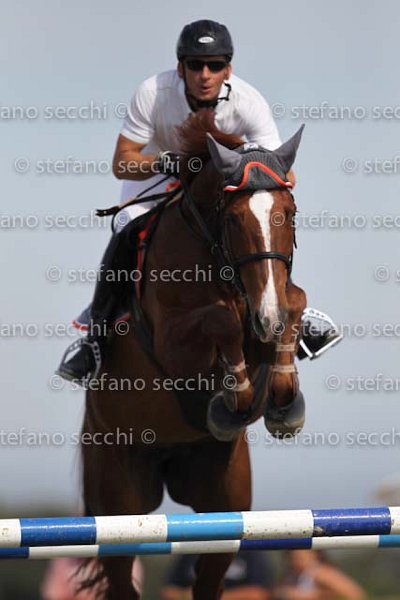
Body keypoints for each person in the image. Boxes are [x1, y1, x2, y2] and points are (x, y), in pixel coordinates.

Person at [56, 19, 342, 387]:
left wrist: (248, 169)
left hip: (220, 183)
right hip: (159, 175)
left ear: (228, 69)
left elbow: (285, 174)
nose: (205, 75)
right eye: (195, 65)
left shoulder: (249, 102)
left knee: (262, 218)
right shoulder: (153, 93)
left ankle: (290, 306)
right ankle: (96, 335)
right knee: (125, 223)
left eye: (215, 65)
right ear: (181, 68)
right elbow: (122, 162)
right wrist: (165, 162)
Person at [161, 551, 273, 600]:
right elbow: (168, 591)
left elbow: (259, 594)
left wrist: (212, 597)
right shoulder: (191, 550)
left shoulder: (249, 551)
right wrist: (185, 596)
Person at [272, 549, 365, 600]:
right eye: (293, 554)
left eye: (301, 554)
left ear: (314, 554)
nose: (296, 556)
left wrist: (310, 596)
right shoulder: (290, 576)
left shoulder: (321, 572)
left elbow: (354, 594)